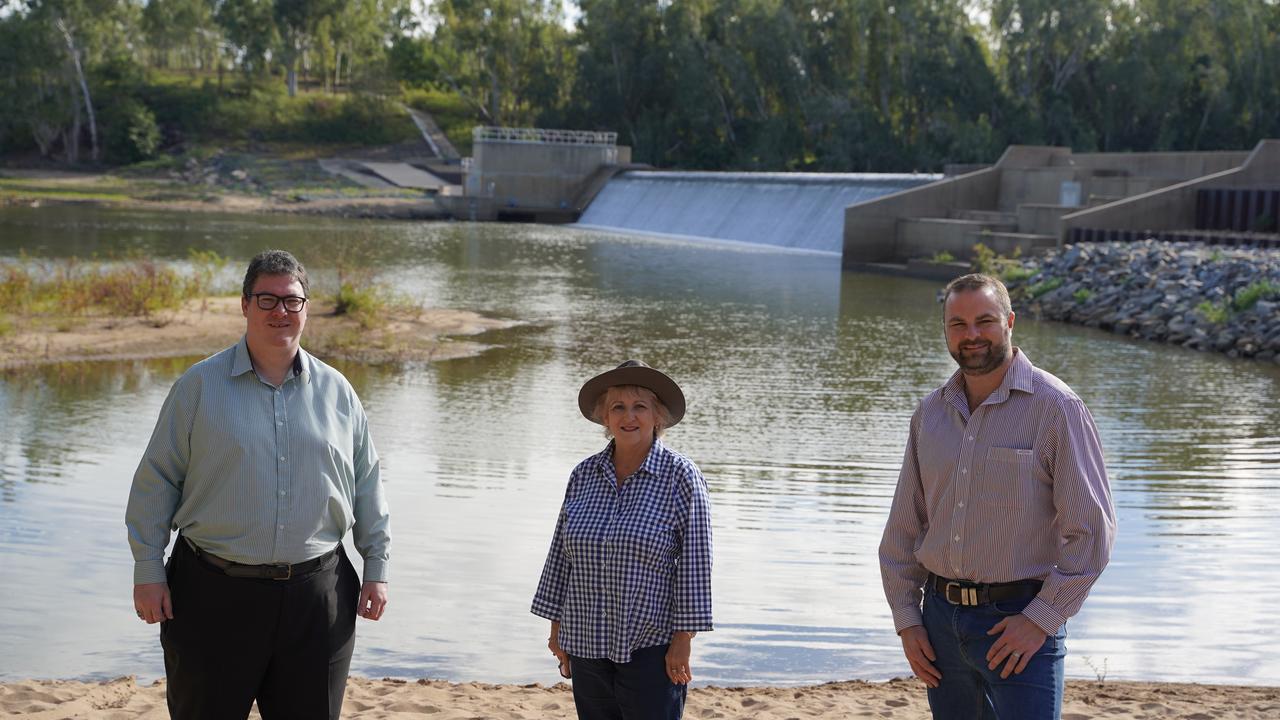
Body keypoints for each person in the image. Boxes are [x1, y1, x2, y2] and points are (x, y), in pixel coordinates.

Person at [125, 249, 391, 720]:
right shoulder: (199, 387)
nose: (280, 312)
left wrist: (377, 566)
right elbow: (156, 480)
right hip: (211, 597)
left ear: (306, 308)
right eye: (267, 300)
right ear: (244, 305)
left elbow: (368, 483)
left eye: (292, 301)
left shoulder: (339, 393)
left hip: (318, 599)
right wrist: (148, 569)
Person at [879, 273, 1116, 720]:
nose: (971, 335)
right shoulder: (929, 414)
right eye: (958, 324)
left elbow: (1091, 533)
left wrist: (1041, 619)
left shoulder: (1057, 408)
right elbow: (903, 531)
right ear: (946, 330)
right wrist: (908, 620)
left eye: (984, 321)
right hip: (940, 625)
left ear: (1009, 322)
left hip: (1018, 624)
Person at [532, 360, 713, 720]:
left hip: (650, 645)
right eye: (618, 407)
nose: (628, 416)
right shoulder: (583, 475)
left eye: (639, 407)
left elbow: (696, 563)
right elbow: (561, 557)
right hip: (585, 640)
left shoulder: (681, 477)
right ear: (605, 417)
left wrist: (683, 641)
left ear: (657, 416)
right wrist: (557, 631)